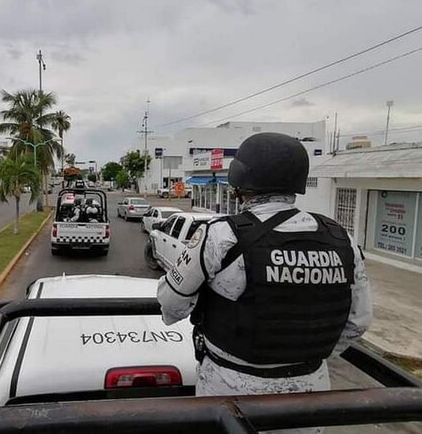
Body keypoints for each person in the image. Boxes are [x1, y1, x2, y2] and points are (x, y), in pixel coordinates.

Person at [157, 133, 372, 434]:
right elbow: (358, 322)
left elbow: (172, 304)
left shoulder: (222, 235)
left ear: (241, 179)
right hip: (311, 398)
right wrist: (303, 354)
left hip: (231, 395)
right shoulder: (341, 239)